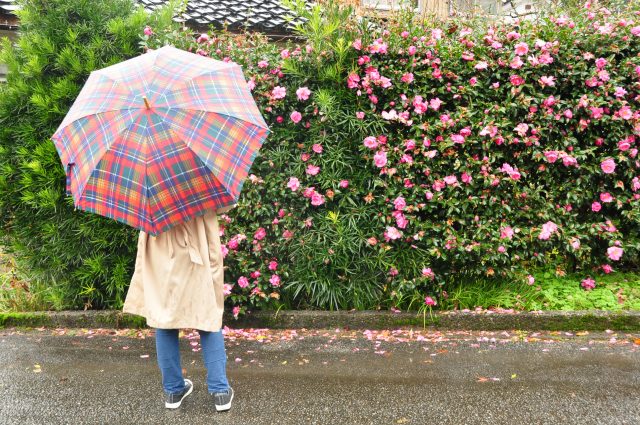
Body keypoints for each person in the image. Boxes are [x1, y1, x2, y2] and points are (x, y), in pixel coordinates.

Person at [123, 205, 236, 412]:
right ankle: (220, 391)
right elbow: (225, 204)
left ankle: (174, 390)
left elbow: (136, 217)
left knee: (164, 320)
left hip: (161, 254)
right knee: (207, 317)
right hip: (199, 248)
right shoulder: (200, 175)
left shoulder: (149, 182)